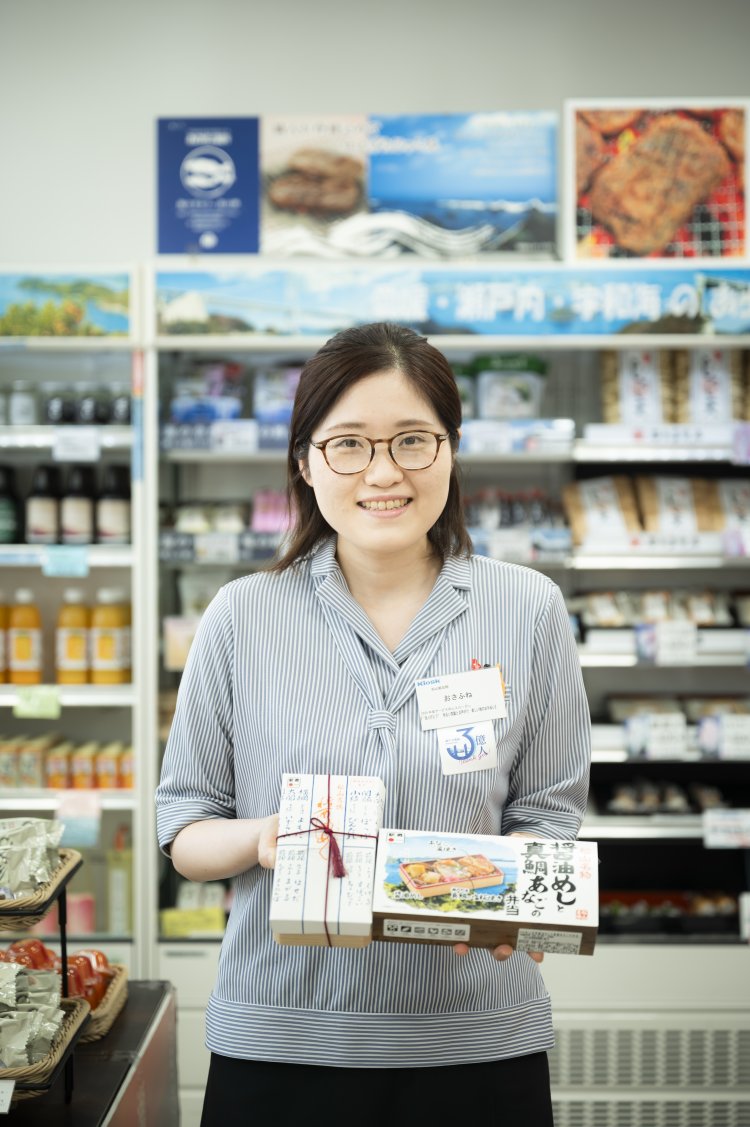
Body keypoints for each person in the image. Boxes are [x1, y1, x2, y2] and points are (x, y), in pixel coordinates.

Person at [155, 321, 590, 1125]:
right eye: (348, 444)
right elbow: (184, 827)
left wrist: (524, 899)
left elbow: (548, 814)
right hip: (279, 1043)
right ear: (305, 460)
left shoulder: (527, 608)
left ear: (451, 449)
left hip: (478, 1044)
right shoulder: (241, 615)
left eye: (412, 441)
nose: (383, 472)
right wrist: (260, 838)